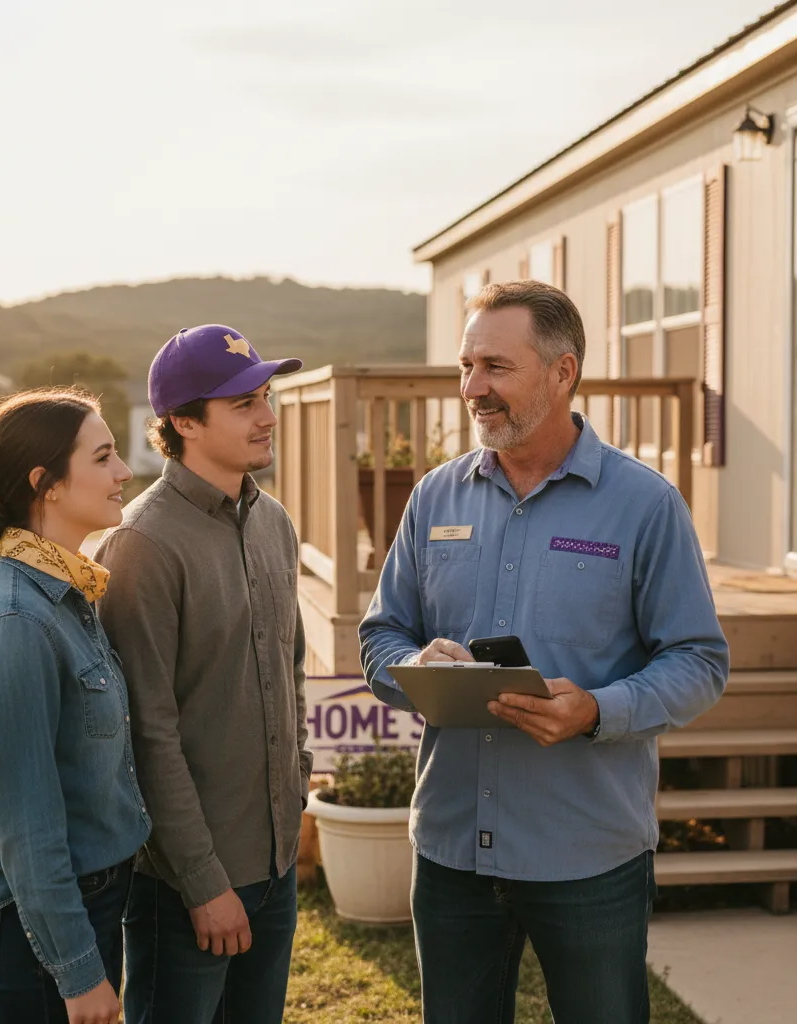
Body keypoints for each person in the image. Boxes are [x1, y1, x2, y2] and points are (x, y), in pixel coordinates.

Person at [359, 281, 729, 1024]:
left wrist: (598, 709)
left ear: (563, 372)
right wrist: (415, 673)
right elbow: (380, 634)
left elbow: (699, 660)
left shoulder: (645, 505)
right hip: (451, 851)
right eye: (466, 366)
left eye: (495, 366)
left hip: (587, 854)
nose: (472, 388)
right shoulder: (435, 498)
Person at [94, 324, 312, 1024]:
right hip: (187, 884)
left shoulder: (274, 522)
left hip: (276, 867)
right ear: (183, 422)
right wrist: (200, 882)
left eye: (265, 396)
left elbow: (292, 668)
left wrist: (298, 782)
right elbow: (146, 731)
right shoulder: (141, 545)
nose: (267, 416)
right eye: (243, 403)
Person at [0, 388, 150, 1024]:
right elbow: (26, 827)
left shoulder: (64, 592)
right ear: (47, 485)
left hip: (85, 903)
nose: (124, 473)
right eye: (103, 457)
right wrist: (78, 972)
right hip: (41, 929)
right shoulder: (15, 621)